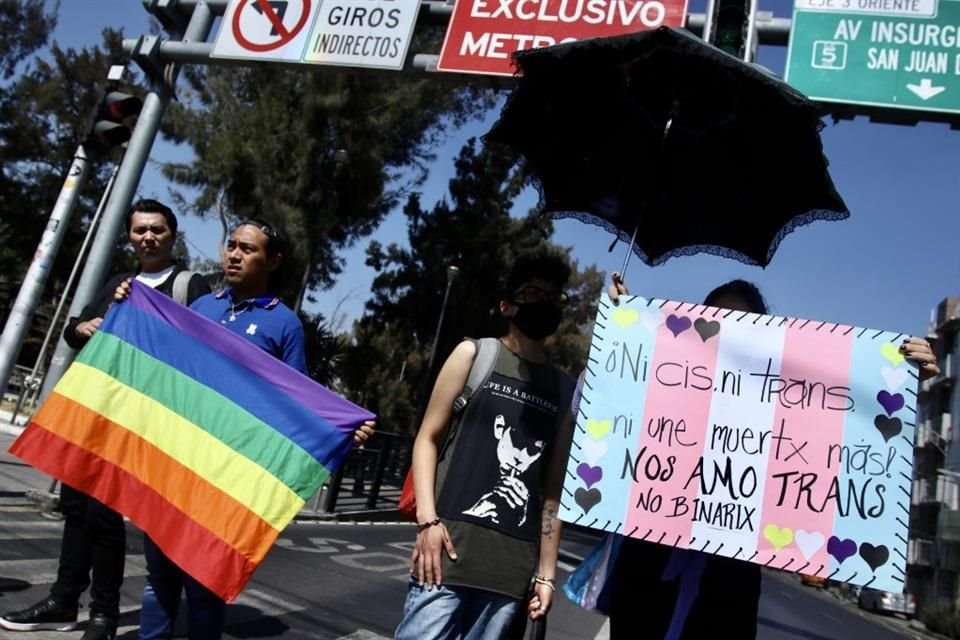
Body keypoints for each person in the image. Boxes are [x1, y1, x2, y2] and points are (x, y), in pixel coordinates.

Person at [604, 278, 940, 640]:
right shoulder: (664, 383)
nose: (726, 332)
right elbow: (602, 412)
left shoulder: (784, 412)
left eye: (741, 324)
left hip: (727, 590)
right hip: (646, 572)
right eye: (715, 318)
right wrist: (624, 334)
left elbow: (844, 432)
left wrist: (902, 380)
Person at [126, 218, 375, 640]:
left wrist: (345, 431)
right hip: (176, 461)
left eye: (248, 249)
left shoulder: (284, 324)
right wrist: (126, 304)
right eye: (232, 246)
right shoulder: (203, 307)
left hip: (227, 477)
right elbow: (165, 363)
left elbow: (295, 401)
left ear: (273, 261)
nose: (234, 255)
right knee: (160, 577)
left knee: (204, 585)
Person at [0, 199, 210, 640]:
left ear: (173, 235)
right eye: (139, 231)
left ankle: (104, 614)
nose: (148, 237)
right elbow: (74, 329)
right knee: (74, 504)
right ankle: (63, 599)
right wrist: (92, 323)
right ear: (130, 237)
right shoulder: (120, 280)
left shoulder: (189, 285)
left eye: (156, 229)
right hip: (97, 409)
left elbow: (202, 346)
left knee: (102, 512)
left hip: (142, 420)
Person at [394, 252, 577, 640]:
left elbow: (552, 495)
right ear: (507, 305)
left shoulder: (564, 391)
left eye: (555, 297)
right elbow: (427, 438)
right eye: (533, 293)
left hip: (511, 576)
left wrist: (546, 574)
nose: (544, 303)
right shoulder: (474, 355)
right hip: (444, 559)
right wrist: (428, 522)